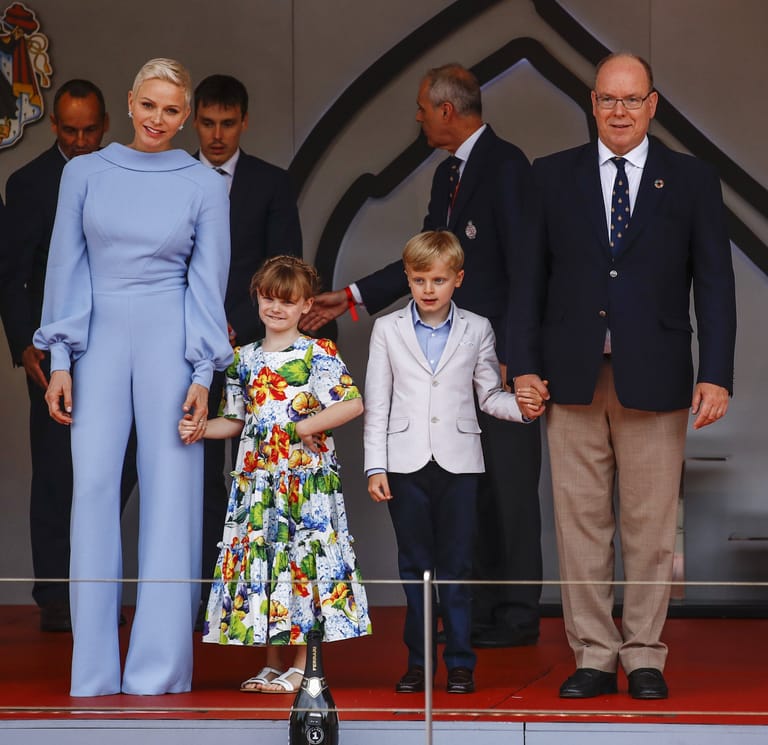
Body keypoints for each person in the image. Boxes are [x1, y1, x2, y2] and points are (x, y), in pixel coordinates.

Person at [509, 53, 737, 700]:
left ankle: (643, 654)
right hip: (570, 378)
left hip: (657, 377)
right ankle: (592, 652)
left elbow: (715, 286)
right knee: (580, 525)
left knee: (649, 525)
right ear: (591, 102)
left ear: (653, 105)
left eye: (632, 100)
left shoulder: (691, 180)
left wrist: (716, 373)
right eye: (608, 99)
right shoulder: (551, 176)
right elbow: (529, 280)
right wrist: (522, 363)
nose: (619, 112)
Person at [303, 63, 542, 648]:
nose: (417, 117)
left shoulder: (507, 167)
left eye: (421, 107)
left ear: (446, 110)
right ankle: (478, 614)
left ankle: (514, 615)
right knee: (473, 488)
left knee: (508, 487)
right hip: (452, 367)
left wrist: (517, 353)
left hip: (497, 360)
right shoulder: (447, 177)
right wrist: (352, 295)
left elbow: (528, 267)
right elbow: (426, 260)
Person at [33, 58, 233, 696]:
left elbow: (209, 283)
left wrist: (204, 371)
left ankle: (158, 670)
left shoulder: (204, 184)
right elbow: (67, 267)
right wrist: (60, 360)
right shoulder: (84, 174)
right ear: (130, 101)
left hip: (171, 345)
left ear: (185, 117)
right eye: (149, 105)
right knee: (91, 491)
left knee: (171, 499)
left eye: (172, 110)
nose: (158, 119)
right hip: (96, 345)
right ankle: (92, 671)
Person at [180, 255, 371, 694]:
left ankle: (304, 665)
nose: (276, 308)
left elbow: (351, 403)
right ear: (258, 300)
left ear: (306, 306)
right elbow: (235, 419)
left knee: (302, 563)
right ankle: (272, 662)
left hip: (305, 481)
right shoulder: (242, 359)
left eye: (287, 301)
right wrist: (200, 430)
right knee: (265, 564)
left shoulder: (317, 352)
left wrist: (301, 427)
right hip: (257, 482)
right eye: (268, 298)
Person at [364, 231, 543, 695]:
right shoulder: (387, 329)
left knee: (458, 568)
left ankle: (461, 662)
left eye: (439, 279)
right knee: (414, 568)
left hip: (460, 463)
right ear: (407, 277)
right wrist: (374, 466)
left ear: (457, 280)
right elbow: (377, 404)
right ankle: (419, 664)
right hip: (403, 463)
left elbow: (489, 395)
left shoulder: (478, 327)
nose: (428, 289)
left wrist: (522, 408)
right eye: (419, 278)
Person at [0, 79, 137, 632]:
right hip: (53, 349)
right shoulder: (29, 182)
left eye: (89, 129)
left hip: (120, 341)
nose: (80, 140)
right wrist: (26, 346)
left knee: (121, 464)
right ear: (55, 125)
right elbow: (14, 274)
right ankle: (57, 595)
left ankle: (97, 584)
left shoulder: (125, 173)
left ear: (105, 124)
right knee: (57, 473)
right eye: (70, 130)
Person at [192, 74, 302, 622]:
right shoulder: (176, 176)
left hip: (250, 348)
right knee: (187, 470)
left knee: (247, 478)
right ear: (194, 121)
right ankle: (194, 598)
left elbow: (283, 268)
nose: (216, 135)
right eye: (207, 123)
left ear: (244, 121)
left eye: (227, 123)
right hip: (183, 346)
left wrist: (242, 329)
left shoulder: (271, 183)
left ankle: (242, 600)